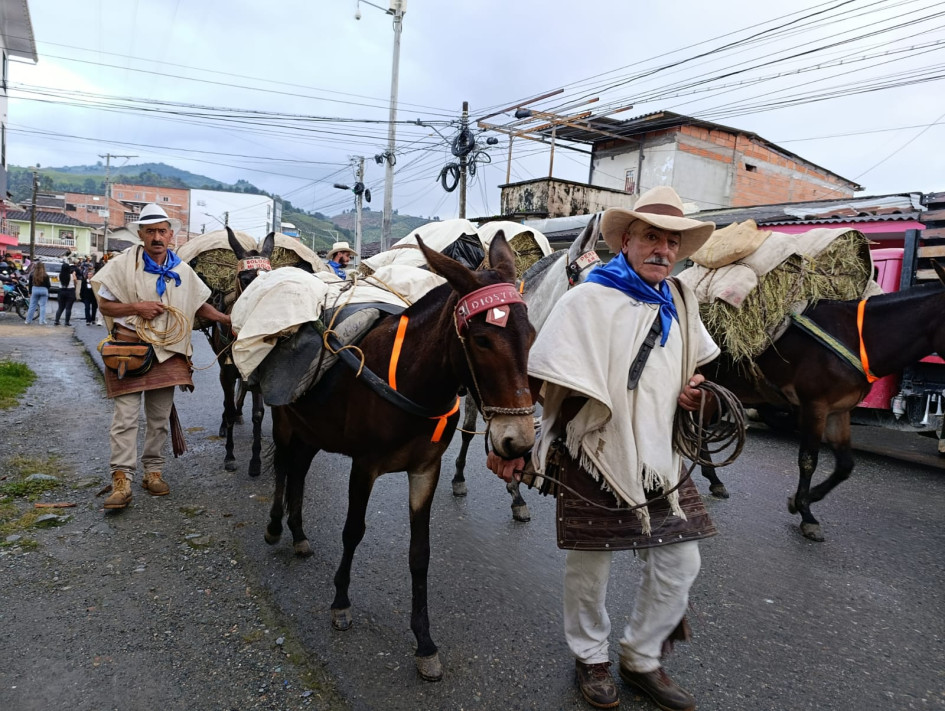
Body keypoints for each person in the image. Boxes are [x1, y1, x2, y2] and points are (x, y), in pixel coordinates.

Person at [488, 186, 719, 711]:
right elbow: (542, 380)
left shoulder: (682, 301)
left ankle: (641, 659)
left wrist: (694, 392)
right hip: (594, 450)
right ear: (626, 241)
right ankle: (590, 658)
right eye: (652, 237)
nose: (663, 249)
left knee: (681, 562)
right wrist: (516, 447)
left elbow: (693, 369)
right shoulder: (586, 300)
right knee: (590, 568)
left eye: (672, 241)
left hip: (661, 457)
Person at [92, 203, 231, 511]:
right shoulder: (122, 266)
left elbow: (197, 304)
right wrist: (136, 308)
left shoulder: (182, 271)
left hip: (168, 352)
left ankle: (152, 472)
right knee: (125, 418)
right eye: (150, 231)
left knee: (158, 419)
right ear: (141, 234)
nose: (157, 237)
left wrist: (225, 319)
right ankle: (121, 479)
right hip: (129, 350)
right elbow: (105, 305)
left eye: (162, 231)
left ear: (170, 235)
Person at [54, 260, 76, 326]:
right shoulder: (71, 276)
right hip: (70, 291)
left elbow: (58, 280)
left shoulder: (59, 275)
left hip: (61, 291)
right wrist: (74, 275)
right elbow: (76, 281)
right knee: (68, 308)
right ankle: (67, 322)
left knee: (60, 307)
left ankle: (56, 321)